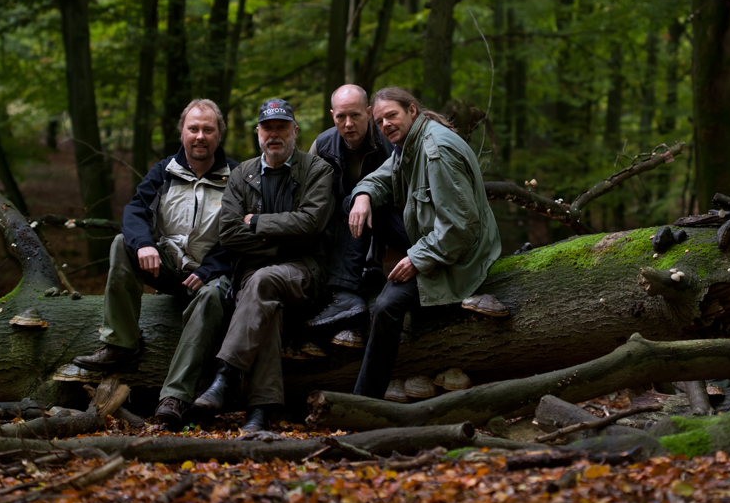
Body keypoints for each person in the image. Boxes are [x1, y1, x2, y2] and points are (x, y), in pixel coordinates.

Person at [72, 99, 238, 429]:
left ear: (219, 134)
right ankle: (120, 344)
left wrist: (208, 271)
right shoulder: (164, 171)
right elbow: (134, 211)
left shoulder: (238, 177)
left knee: (211, 296)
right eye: (193, 128)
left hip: (212, 277)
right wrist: (145, 244)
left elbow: (240, 235)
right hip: (168, 270)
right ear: (182, 132)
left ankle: (174, 397)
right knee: (123, 243)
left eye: (208, 129)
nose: (200, 136)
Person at [346, 87, 502, 399]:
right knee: (353, 205)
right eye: (380, 121)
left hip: (460, 257)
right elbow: (381, 178)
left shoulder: (436, 151)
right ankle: (346, 293)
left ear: (412, 111)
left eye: (392, 115)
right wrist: (362, 196)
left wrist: (417, 258)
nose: (386, 124)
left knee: (387, 305)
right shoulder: (407, 144)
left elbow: (461, 227)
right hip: (435, 241)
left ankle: (364, 402)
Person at [193, 98, 334, 432]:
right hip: (254, 277)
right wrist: (284, 236)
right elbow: (228, 234)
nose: (275, 134)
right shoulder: (242, 174)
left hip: (304, 271)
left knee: (262, 282)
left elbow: (311, 224)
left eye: (282, 127)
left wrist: (256, 222)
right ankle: (260, 412)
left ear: (295, 131)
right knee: (264, 305)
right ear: (258, 132)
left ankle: (225, 376)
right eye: (268, 128)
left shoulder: (317, 170)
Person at [305, 84, 396, 330]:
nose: (348, 124)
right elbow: (308, 197)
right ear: (332, 115)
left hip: (385, 229)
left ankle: (353, 288)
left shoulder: (389, 144)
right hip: (335, 232)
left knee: (354, 202)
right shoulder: (322, 146)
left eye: (355, 115)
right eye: (341, 116)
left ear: (368, 113)